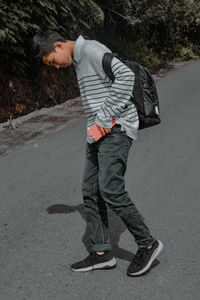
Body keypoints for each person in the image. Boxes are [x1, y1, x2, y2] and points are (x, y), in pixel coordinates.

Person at [31, 30, 163, 276]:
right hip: (98, 133)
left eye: (52, 61)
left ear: (58, 45)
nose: (56, 67)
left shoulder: (90, 50)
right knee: (90, 191)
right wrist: (94, 130)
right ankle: (102, 253)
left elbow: (125, 76)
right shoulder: (80, 60)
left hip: (116, 129)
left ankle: (148, 243)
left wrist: (103, 119)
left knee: (111, 189)